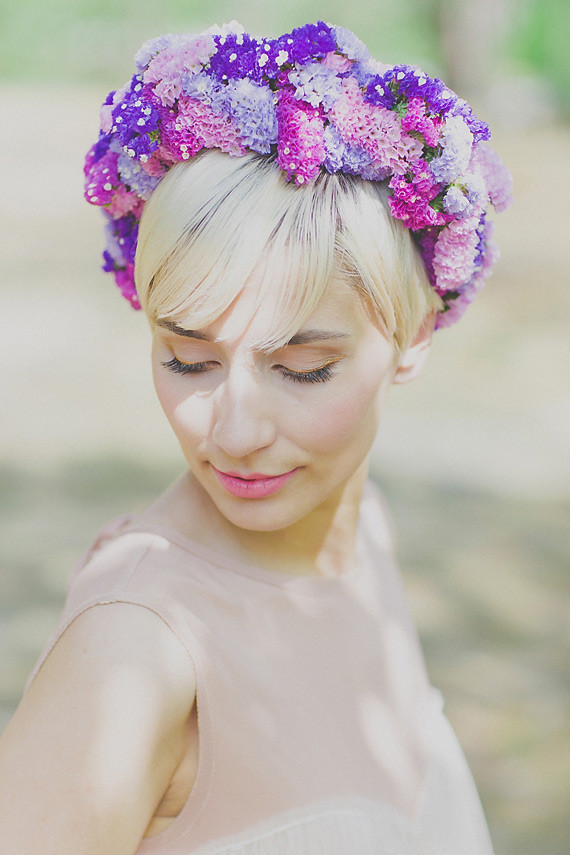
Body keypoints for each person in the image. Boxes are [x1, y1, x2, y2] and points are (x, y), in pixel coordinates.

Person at [0, 20, 512, 855]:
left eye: (303, 369)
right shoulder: (134, 650)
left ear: (414, 336)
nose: (233, 432)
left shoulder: (365, 533)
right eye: (188, 359)